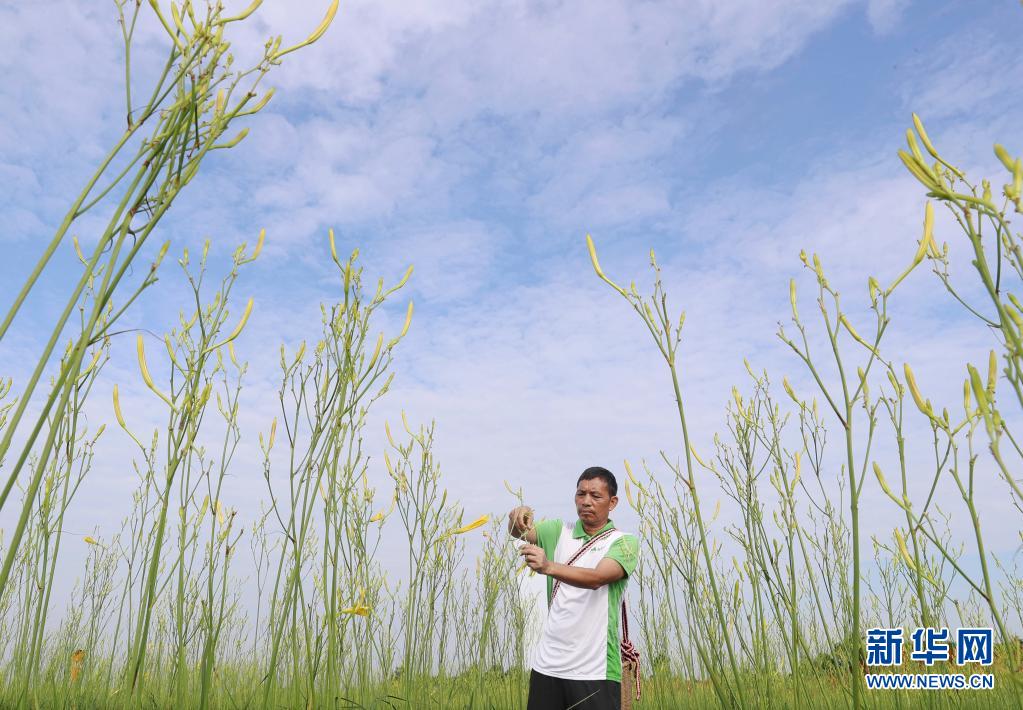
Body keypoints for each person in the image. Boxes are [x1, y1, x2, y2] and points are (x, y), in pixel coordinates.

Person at [508, 466, 640, 710]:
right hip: (547, 667)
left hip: (595, 671)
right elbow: (519, 532)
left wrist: (548, 566)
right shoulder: (558, 531)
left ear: (612, 502)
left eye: (595, 496)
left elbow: (597, 578)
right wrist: (517, 515)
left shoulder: (623, 542)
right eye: (581, 494)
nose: (586, 501)